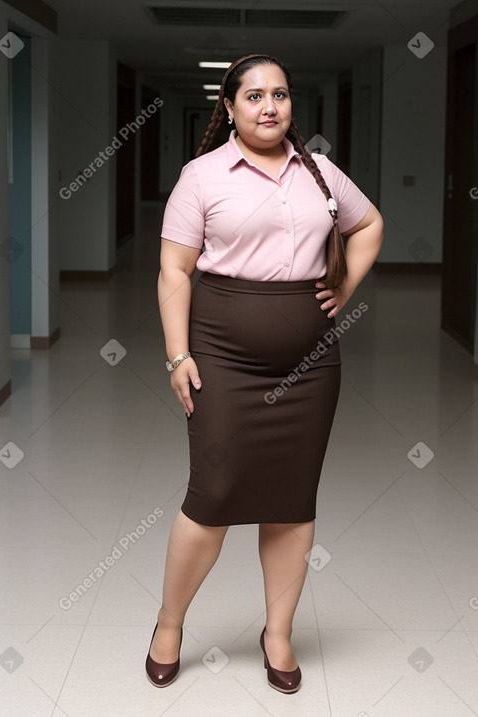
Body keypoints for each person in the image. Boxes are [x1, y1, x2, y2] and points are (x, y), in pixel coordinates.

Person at [146, 53, 383, 693]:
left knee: (291, 497)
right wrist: (178, 353)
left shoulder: (320, 171)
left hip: (310, 364)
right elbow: (174, 270)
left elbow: (368, 225)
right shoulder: (202, 176)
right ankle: (169, 624)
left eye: (279, 95)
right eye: (253, 96)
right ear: (229, 106)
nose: (269, 107)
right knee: (213, 495)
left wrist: (344, 284)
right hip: (221, 352)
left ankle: (277, 633)